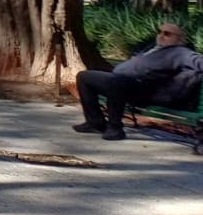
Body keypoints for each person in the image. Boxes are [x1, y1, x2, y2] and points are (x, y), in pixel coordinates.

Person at [74, 23, 203, 140]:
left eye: (167, 34)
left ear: (180, 39)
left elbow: (199, 62)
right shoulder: (153, 49)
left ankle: (115, 128)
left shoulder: (181, 52)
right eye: (160, 32)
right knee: (84, 77)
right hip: (123, 83)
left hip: (145, 89)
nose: (161, 35)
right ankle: (95, 123)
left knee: (117, 82)